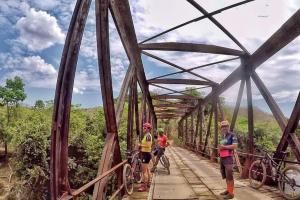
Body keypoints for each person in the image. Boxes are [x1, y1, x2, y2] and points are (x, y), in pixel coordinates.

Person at [218, 120, 238, 199]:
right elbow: (221, 146)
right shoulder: (223, 136)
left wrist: (224, 147)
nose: (224, 128)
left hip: (228, 158)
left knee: (229, 175)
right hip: (222, 158)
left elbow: (235, 146)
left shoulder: (232, 135)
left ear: (228, 127)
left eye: (226, 126)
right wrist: (219, 150)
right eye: (222, 127)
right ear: (221, 128)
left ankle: (231, 193)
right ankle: (228, 190)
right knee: (226, 175)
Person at [138, 122, 153, 192]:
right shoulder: (147, 135)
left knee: (144, 172)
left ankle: (144, 186)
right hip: (146, 153)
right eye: (143, 127)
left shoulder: (148, 136)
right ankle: (148, 183)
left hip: (146, 154)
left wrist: (140, 145)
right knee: (147, 170)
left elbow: (148, 145)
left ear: (147, 128)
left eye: (144, 127)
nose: (143, 128)